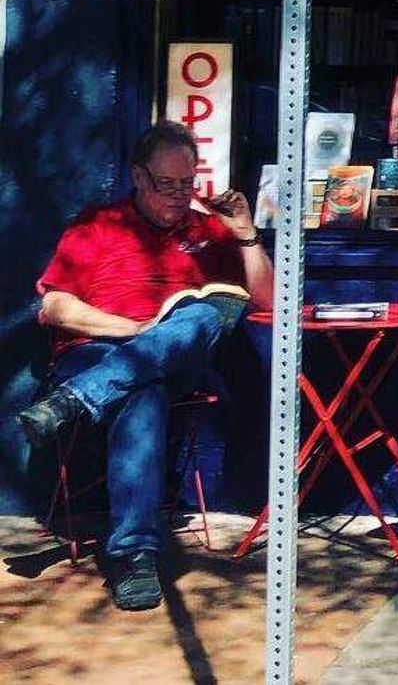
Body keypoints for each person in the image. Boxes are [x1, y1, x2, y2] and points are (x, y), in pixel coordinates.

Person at [15, 121, 274, 610]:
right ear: (138, 176)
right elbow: (54, 309)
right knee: (142, 393)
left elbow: (268, 303)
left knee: (204, 314)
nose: (179, 196)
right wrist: (137, 334)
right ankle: (135, 556)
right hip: (96, 352)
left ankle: (76, 402)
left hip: (175, 362)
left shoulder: (207, 230)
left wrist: (245, 236)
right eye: (166, 184)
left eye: (187, 184)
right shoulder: (96, 226)